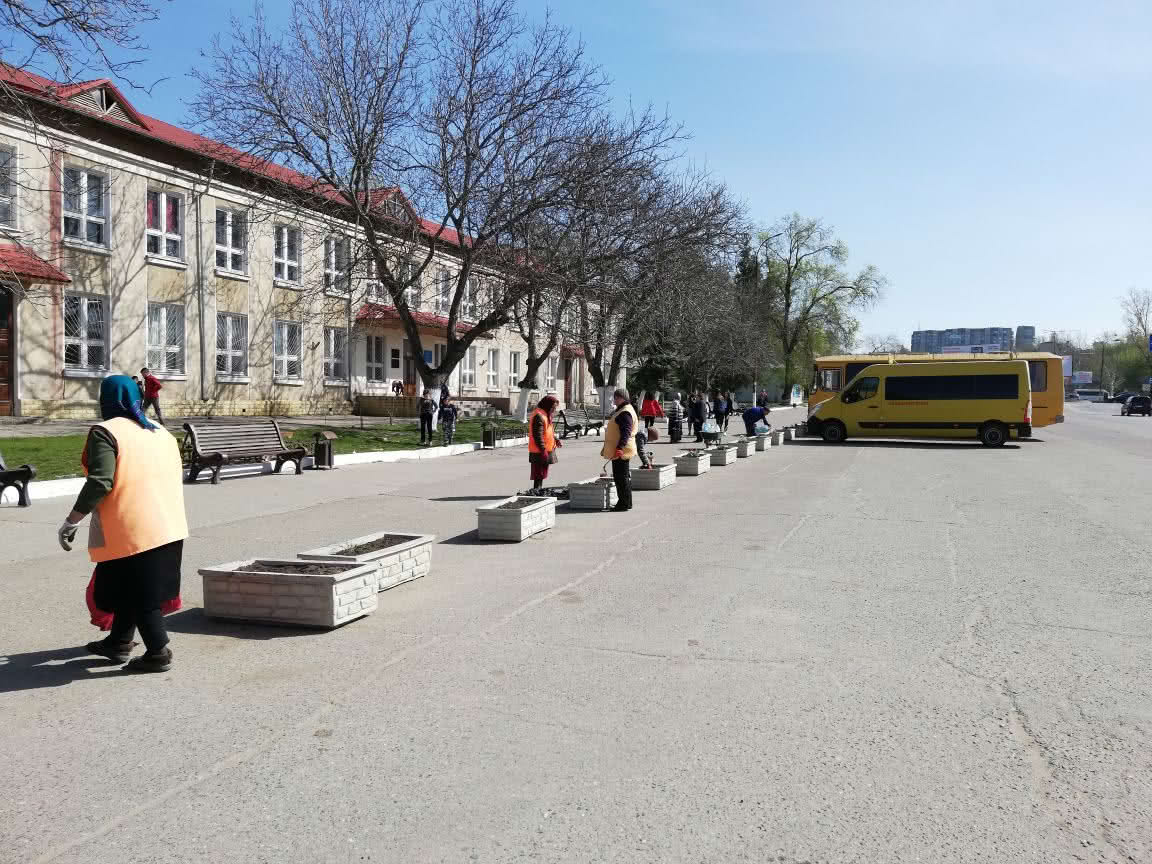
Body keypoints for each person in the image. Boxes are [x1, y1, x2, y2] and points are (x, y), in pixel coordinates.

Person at [59, 375, 188, 673]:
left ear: (106, 399)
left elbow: (100, 481)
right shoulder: (160, 431)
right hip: (169, 524)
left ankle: (158, 653)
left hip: (130, 528)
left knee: (140, 593)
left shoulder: (106, 431)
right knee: (128, 588)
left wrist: (72, 520)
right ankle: (118, 642)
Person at [600, 388, 637, 512]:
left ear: (623, 398)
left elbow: (626, 432)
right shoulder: (623, 409)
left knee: (620, 477)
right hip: (621, 448)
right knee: (623, 476)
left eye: (617, 397)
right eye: (615, 397)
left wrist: (620, 447)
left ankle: (623, 504)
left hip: (621, 449)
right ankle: (627, 502)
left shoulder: (625, 412)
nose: (614, 400)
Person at [528, 395, 561, 492]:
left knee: (542, 473)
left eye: (555, 408)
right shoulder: (539, 416)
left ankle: (538, 490)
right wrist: (543, 450)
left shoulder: (545, 414)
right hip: (539, 450)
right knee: (539, 473)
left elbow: (547, 431)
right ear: (547, 405)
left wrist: (555, 439)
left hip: (545, 449)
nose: (554, 410)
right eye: (553, 407)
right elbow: (538, 435)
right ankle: (536, 491)